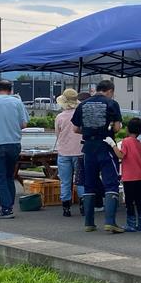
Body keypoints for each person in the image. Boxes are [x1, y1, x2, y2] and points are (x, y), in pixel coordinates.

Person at [72, 79, 124, 233]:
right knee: (111, 183)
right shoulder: (111, 103)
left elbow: (75, 129)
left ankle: (89, 223)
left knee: (89, 184)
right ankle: (110, 222)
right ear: (110, 91)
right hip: (106, 146)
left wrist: (89, 132)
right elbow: (116, 128)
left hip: (88, 147)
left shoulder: (83, 104)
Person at [0, 79, 29, 219]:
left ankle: (6, 208)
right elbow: (24, 124)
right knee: (9, 176)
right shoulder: (17, 102)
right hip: (14, 144)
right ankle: (10, 205)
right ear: (10, 89)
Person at [53, 89, 83, 217]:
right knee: (81, 180)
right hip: (79, 151)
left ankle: (66, 208)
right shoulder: (80, 114)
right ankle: (83, 205)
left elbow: (57, 134)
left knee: (65, 181)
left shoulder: (60, 117)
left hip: (64, 152)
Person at [116, 117, 141, 232]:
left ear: (128, 129)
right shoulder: (139, 144)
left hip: (129, 176)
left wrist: (113, 146)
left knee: (129, 201)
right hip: (140, 175)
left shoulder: (126, 141)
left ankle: (131, 224)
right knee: (139, 200)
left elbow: (121, 155)